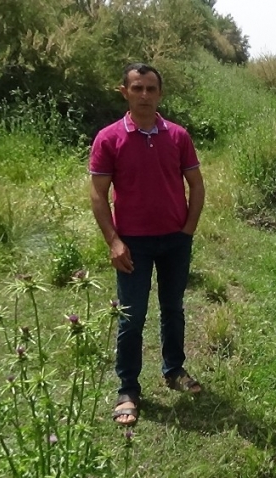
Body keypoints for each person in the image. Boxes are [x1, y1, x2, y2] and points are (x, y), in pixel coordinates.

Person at [89, 63, 206, 426]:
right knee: (132, 316)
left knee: (173, 308)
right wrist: (114, 241)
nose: (144, 95)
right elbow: (98, 194)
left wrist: (187, 230)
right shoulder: (108, 138)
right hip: (132, 244)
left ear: (160, 93)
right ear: (124, 91)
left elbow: (197, 186)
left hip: (175, 240)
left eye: (151, 89)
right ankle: (128, 389)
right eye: (137, 88)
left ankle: (173, 370)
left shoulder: (178, 136)